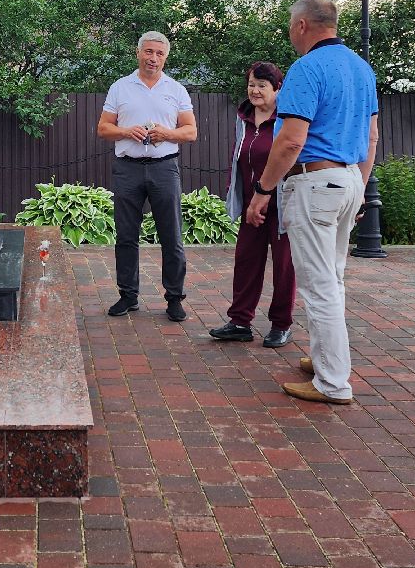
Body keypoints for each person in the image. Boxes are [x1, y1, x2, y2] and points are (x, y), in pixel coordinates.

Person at [246, 0, 378, 404]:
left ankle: (333, 382)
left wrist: (263, 191)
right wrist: (358, 188)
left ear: (302, 25)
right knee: (332, 278)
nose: (289, 31)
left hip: (314, 184)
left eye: (290, 24)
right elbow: (372, 137)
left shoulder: (306, 69)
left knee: (319, 285)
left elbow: (290, 141)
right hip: (349, 179)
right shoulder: (361, 68)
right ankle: (326, 358)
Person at [96, 32, 198, 321]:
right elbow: (103, 128)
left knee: (172, 236)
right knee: (126, 236)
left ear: (166, 57)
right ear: (138, 52)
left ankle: (174, 298)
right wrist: (127, 131)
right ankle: (128, 296)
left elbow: (190, 131)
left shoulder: (176, 89)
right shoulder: (120, 87)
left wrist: (167, 134)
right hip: (127, 167)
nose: (153, 58)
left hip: (165, 167)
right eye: (149, 52)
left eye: (160, 54)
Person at [209, 61, 296, 348]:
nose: (255, 91)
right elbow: (239, 157)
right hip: (250, 204)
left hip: (281, 203)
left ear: (277, 88)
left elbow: (291, 156)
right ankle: (240, 321)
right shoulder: (243, 116)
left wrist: (268, 192)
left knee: (284, 265)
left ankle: (281, 325)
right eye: (251, 84)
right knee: (246, 260)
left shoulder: (287, 117)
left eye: (262, 85)